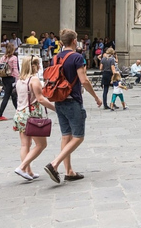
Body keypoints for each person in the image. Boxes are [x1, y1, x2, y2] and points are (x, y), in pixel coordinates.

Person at [44, 29, 102, 184]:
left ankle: (69, 171)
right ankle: (54, 164)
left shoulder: (55, 58)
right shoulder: (77, 57)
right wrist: (96, 97)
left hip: (59, 99)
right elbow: (84, 80)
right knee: (78, 137)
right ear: (75, 41)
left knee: (66, 135)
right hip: (72, 100)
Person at [13, 56, 56, 180]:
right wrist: (55, 108)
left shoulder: (20, 80)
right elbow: (40, 99)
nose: (39, 67)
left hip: (19, 114)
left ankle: (28, 171)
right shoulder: (34, 79)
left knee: (24, 144)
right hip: (31, 115)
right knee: (41, 144)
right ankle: (22, 167)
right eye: (38, 65)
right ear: (33, 66)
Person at [0, 43, 19, 121]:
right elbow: (15, 70)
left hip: (4, 78)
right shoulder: (14, 58)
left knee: (13, 96)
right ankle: (0, 115)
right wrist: (18, 80)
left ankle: (18, 111)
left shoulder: (3, 58)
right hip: (11, 78)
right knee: (7, 96)